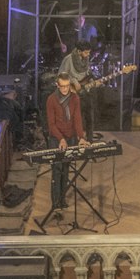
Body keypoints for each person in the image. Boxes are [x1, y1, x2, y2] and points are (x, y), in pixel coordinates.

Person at [45, 72, 88, 214]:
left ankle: (62, 200)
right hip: (56, 138)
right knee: (57, 171)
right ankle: (55, 203)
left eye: (67, 86)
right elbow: (51, 124)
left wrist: (81, 137)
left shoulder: (75, 98)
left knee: (66, 170)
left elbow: (77, 119)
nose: (64, 89)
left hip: (70, 137)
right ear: (57, 85)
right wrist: (60, 139)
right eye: (62, 86)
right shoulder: (51, 100)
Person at [57, 40, 98, 136]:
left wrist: (91, 79)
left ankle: (90, 139)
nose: (88, 55)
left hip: (84, 91)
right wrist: (74, 81)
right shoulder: (68, 59)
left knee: (90, 115)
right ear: (79, 51)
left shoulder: (86, 60)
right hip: (73, 92)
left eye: (89, 52)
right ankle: (74, 139)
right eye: (86, 52)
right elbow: (61, 75)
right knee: (75, 118)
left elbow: (88, 73)